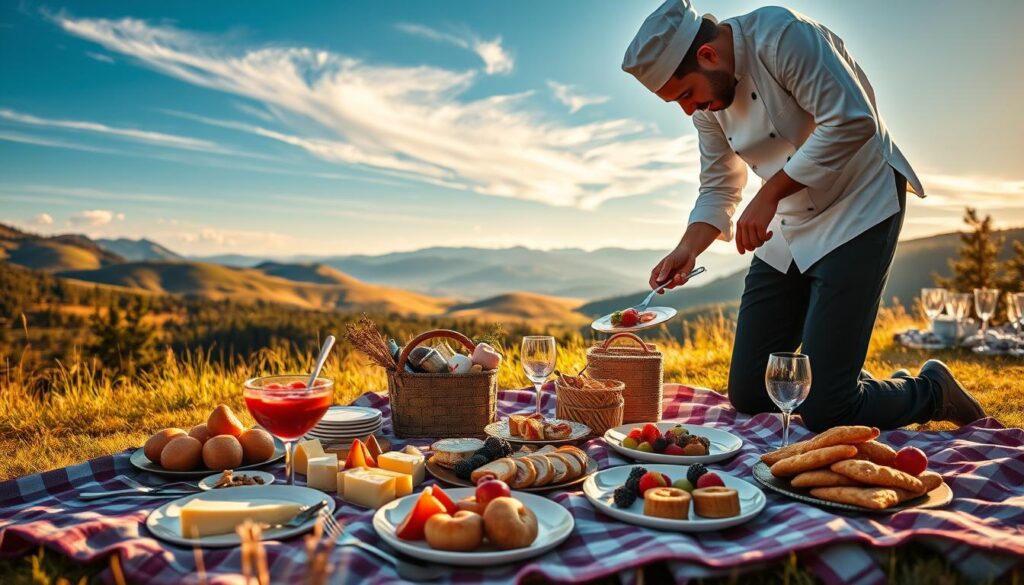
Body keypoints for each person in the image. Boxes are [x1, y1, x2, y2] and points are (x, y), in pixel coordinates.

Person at [621, 1, 986, 430]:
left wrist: (770, 193)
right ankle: (845, 382)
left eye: (685, 94)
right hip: (787, 220)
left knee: (827, 411)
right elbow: (719, 185)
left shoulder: (783, 36)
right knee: (752, 391)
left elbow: (852, 121)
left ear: (708, 55)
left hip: (857, 203)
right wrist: (687, 248)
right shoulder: (709, 106)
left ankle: (933, 392)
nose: (688, 110)